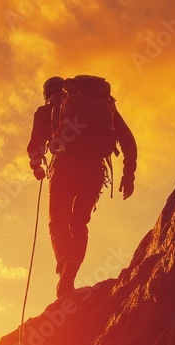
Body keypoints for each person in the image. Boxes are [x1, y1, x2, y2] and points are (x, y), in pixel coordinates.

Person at [26, 75, 137, 298]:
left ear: (47, 94)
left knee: (58, 219)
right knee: (79, 222)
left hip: (64, 168)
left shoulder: (46, 111)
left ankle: (66, 259)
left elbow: (35, 147)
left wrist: (37, 167)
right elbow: (127, 140)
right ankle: (72, 268)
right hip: (94, 171)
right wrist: (129, 175)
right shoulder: (103, 106)